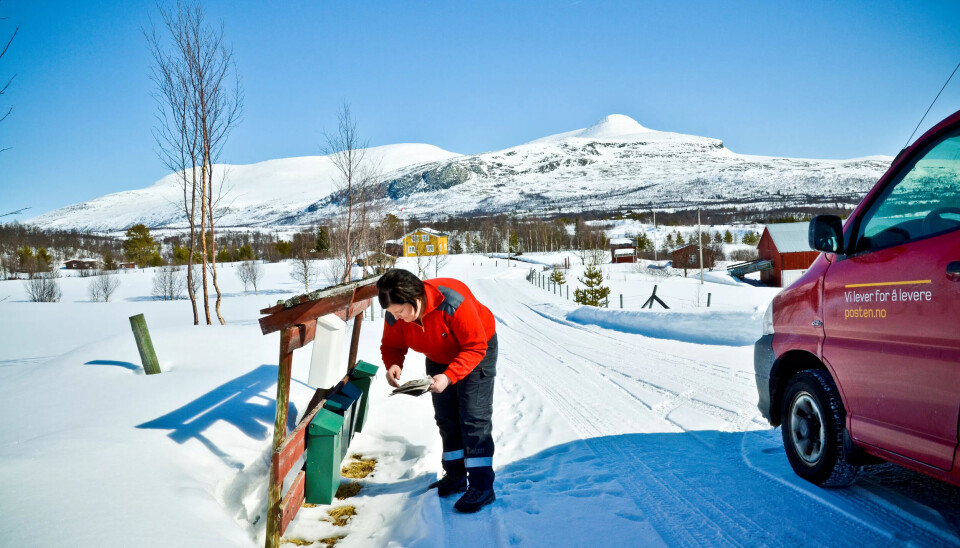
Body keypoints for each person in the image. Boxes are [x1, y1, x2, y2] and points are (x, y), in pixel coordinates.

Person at [377, 268, 498, 513]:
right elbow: (391, 344)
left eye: (400, 311)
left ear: (416, 299)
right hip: (437, 355)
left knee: (473, 417)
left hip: (475, 351)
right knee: (446, 416)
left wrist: (450, 375)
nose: (396, 317)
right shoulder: (395, 314)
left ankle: (482, 486)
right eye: (391, 313)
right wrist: (393, 364)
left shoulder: (453, 303)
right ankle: (454, 476)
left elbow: (475, 346)